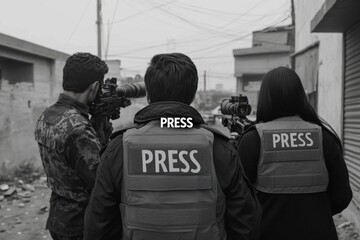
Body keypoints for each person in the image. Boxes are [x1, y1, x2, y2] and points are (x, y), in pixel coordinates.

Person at [84, 53, 261, 240]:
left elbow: (98, 227)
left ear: (149, 96)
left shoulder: (119, 149)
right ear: (192, 96)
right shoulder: (219, 149)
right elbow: (246, 225)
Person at [237, 67, 352, 240]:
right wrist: (316, 212)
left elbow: (240, 201)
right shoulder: (324, 137)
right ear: (300, 97)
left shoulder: (253, 140)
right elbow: (342, 196)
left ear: (265, 98)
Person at [35, 52, 111, 240]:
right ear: (94, 87)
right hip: (80, 223)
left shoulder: (47, 115)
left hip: (59, 216)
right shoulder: (78, 128)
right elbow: (101, 180)